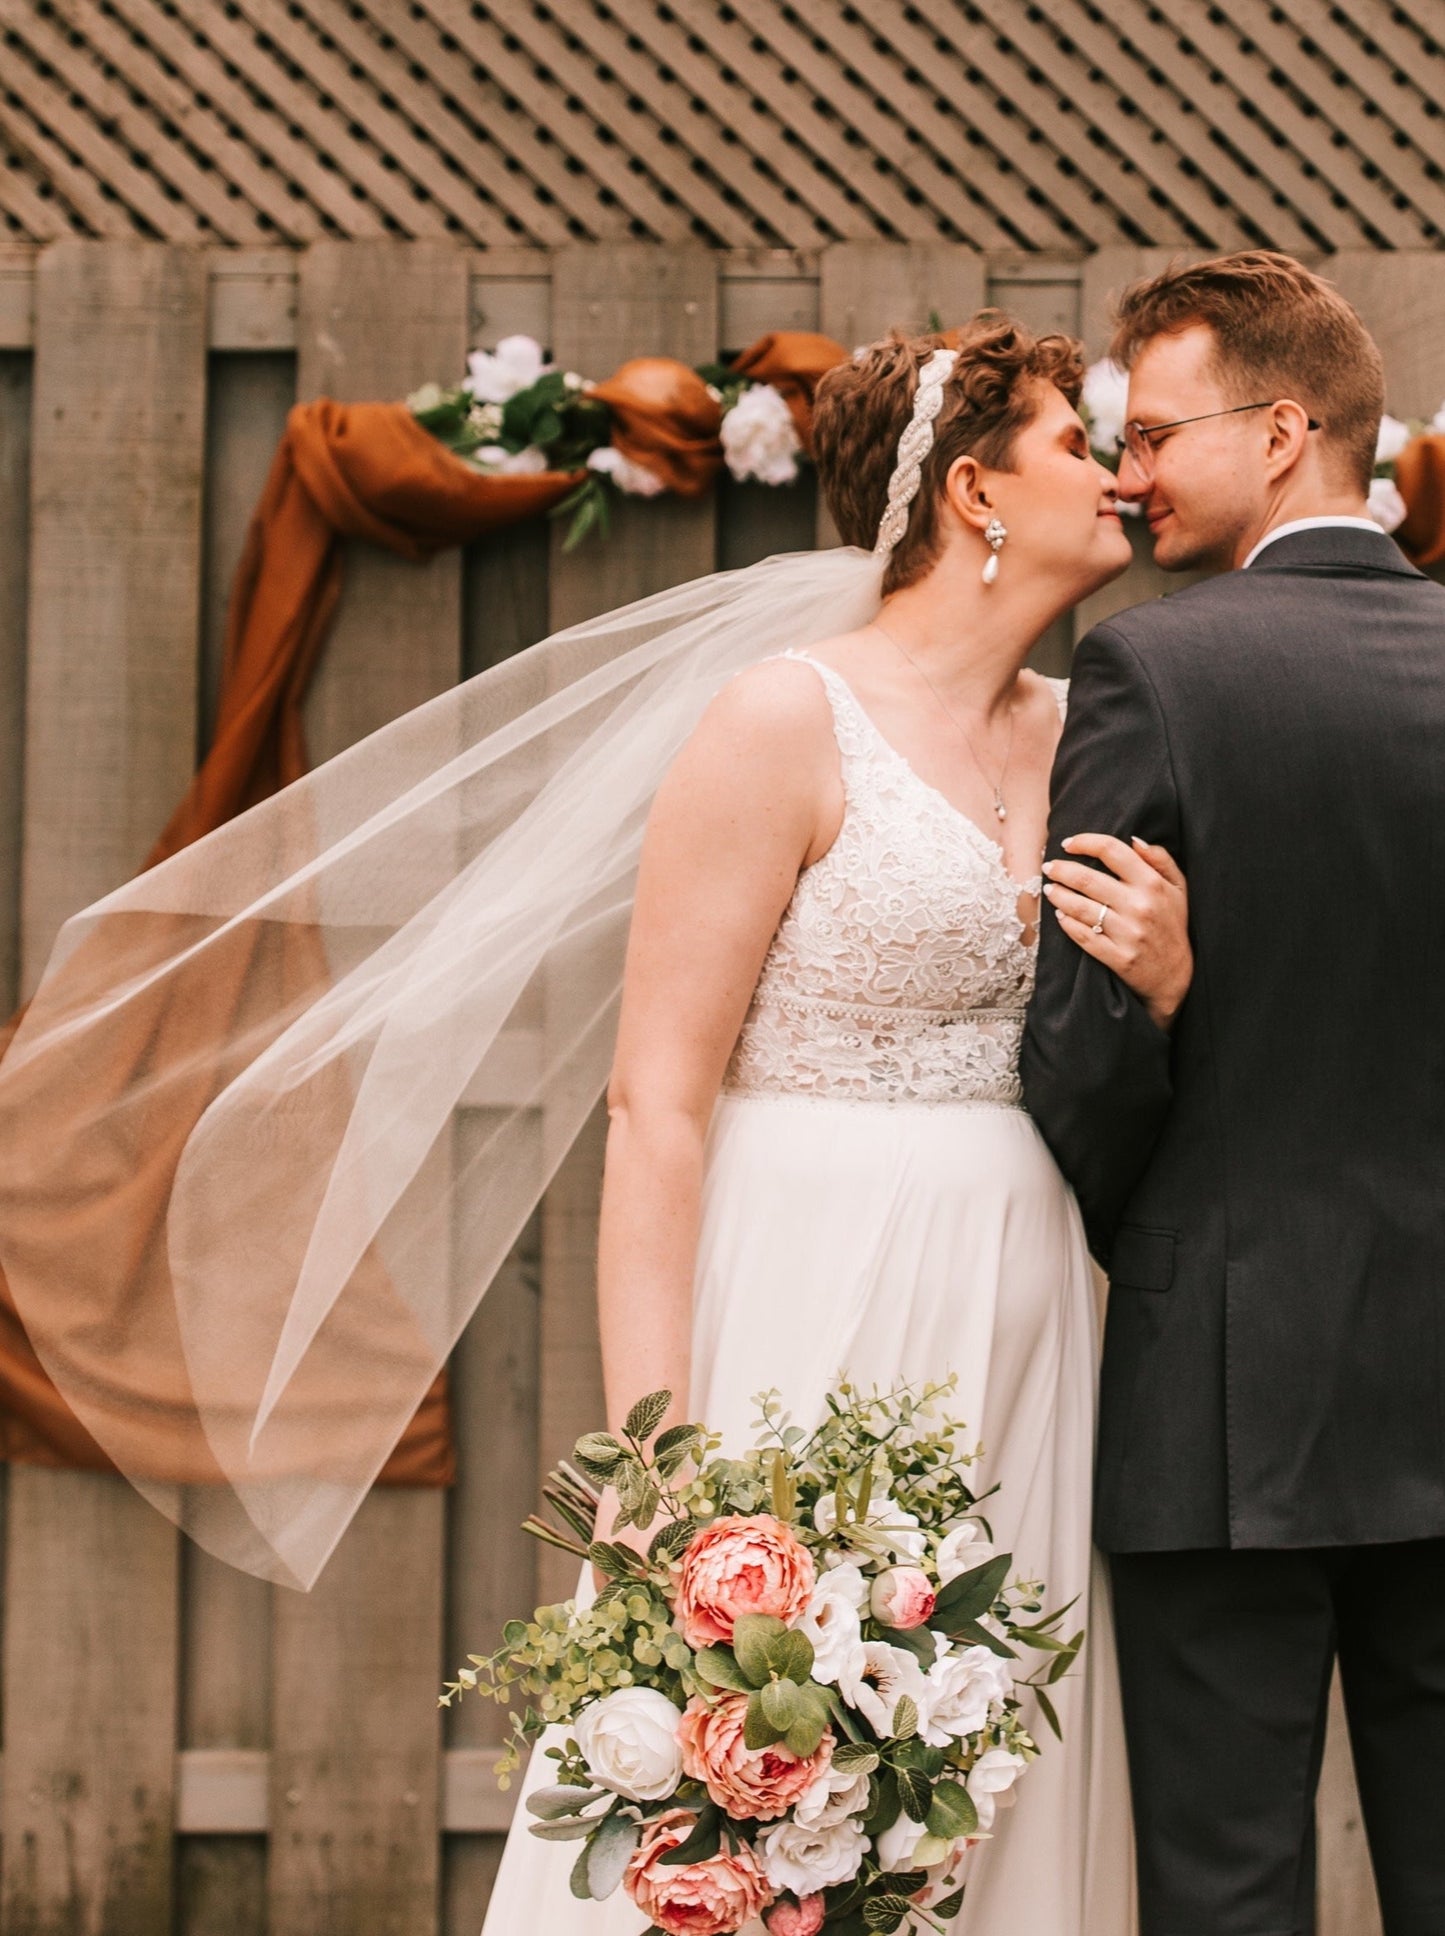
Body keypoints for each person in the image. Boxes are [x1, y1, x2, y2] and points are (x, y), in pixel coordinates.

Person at [480, 320, 1193, 1934]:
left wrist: (1164, 983)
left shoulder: (1090, 727)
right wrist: (652, 1459)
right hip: (810, 1284)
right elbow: (655, 1098)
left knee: (981, 1755)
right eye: (1078, 444)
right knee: (763, 1757)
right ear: (973, 491)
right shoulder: (779, 721)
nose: (1116, 473)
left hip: (1027, 1314)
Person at [1021, 251, 1445, 1936]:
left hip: (1224, 1402)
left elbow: (1075, 1054)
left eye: (1152, 436)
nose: (1126, 479)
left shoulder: (1153, 675)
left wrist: (1165, 1158)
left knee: (1222, 1887)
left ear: (1282, 433)